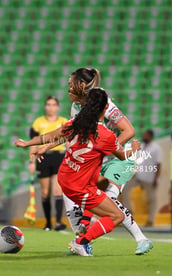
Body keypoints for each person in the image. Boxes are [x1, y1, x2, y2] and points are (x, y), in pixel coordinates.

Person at [16, 87, 142, 256]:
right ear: (105, 109)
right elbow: (121, 156)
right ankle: (81, 242)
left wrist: (28, 144)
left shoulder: (76, 124)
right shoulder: (107, 136)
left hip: (64, 178)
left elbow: (52, 135)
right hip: (80, 187)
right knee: (116, 216)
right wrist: (133, 148)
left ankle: (84, 222)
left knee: (100, 186)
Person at [64, 68, 152, 255]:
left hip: (121, 158)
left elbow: (129, 131)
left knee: (108, 200)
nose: (67, 89)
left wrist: (109, 148)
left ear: (81, 86)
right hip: (98, 158)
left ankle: (141, 239)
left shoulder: (105, 103)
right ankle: (82, 237)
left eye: (71, 85)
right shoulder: (76, 108)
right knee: (84, 197)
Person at [29, 96, 67, 231]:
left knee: (58, 190)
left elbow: (68, 140)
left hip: (59, 157)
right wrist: (31, 161)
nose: (51, 107)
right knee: (45, 192)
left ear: (57, 107)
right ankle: (48, 223)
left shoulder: (63, 121)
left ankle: (57, 221)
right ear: (45, 106)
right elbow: (34, 141)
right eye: (48, 105)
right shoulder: (38, 122)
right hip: (43, 156)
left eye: (53, 105)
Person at [122, 129, 162, 227]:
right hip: (138, 175)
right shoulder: (142, 146)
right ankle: (129, 210)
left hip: (149, 177)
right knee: (124, 188)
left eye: (146, 135)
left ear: (150, 136)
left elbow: (159, 164)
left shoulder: (156, 148)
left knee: (152, 199)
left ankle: (151, 220)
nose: (144, 137)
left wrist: (156, 179)